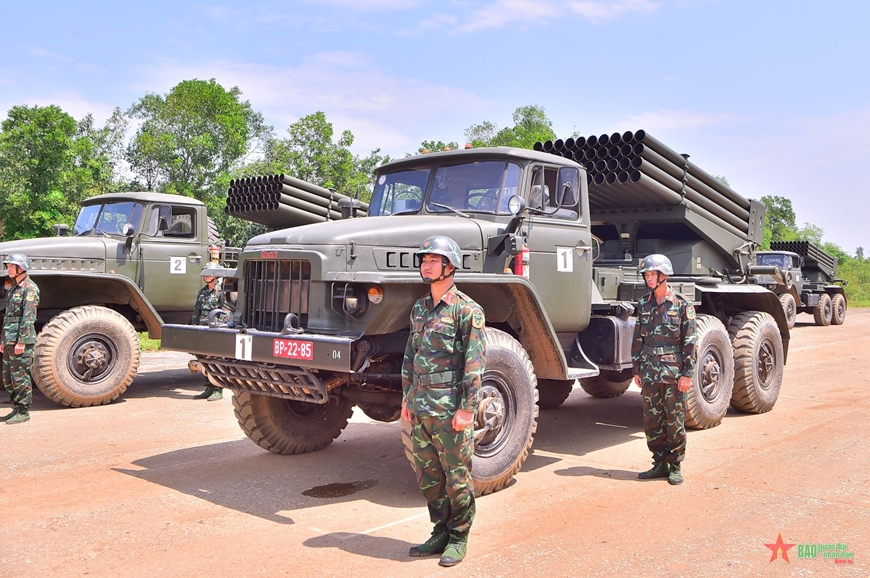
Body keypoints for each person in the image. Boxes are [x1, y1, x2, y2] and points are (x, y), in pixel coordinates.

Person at [401, 235, 486, 567]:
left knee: (456, 475)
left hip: (450, 409)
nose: (426, 265)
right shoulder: (419, 308)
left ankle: (459, 535)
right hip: (421, 406)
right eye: (424, 260)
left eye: (433, 260)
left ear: (450, 266)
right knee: (428, 476)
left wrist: (467, 408)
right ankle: (440, 531)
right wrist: (407, 398)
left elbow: (474, 363)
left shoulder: (466, 310)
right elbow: (410, 356)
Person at [631, 254, 696, 485]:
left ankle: (675, 464)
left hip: (673, 373)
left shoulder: (682, 304)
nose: (648, 278)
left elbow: (689, 342)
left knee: (674, 419)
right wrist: (637, 369)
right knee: (652, 420)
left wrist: (687, 374)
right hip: (650, 371)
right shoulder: (643, 305)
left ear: (663, 276)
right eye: (646, 275)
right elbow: (638, 339)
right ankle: (659, 462)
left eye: (652, 274)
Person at [1, 254, 40, 425]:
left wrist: (22, 341)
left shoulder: (29, 289)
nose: (8, 268)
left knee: (20, 376)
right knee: (8, 378)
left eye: (11, 266)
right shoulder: (14, 288)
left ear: (21, 267)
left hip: (21, 341)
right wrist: (3, 340)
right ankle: (16, 408)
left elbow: (28, 317)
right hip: (10, 340)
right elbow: (8, 318)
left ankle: (24, 411)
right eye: (8, 265)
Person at [191, 262, 229, 401]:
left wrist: (219, 328)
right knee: (204, 359)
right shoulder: (202, 292)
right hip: (202, 329)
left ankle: (218, 388)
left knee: (216, 360)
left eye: (209, 273)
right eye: (205, 273)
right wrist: (194, 327)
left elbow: (225, 313)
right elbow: (196, 311)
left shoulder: (221, 292)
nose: (206, 276)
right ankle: (209, 387)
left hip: (215, 330)